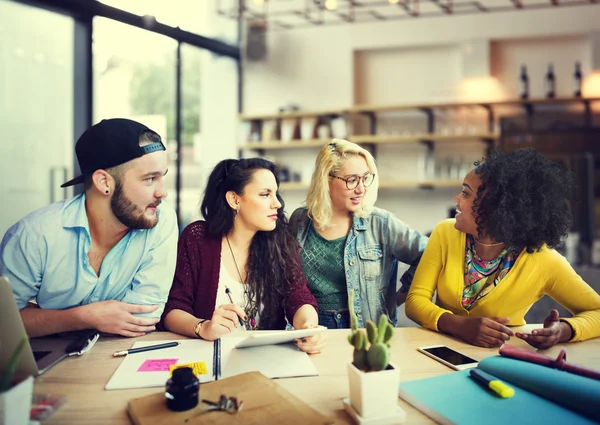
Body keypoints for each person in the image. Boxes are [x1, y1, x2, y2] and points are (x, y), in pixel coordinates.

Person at [0, 118, 178, 338]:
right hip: (47, 365)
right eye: (150, 179)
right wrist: (83, 317)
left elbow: (142, 318)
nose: (163, 192)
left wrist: (45, 318)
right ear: (104, 182)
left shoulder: (161, 220)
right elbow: (6, 323)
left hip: (120, 353)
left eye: (162, 177)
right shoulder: (33, 236)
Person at [406, 148, 600, 349]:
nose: (456, 199)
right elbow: (415, 300)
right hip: (440, 353)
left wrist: (562, 331)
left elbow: (597, 311)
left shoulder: (544, 260)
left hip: (501, 359)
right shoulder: (445, 233)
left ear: (495, 209)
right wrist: (460, 326)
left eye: (465, 193)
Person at [161, 158, 326, 354]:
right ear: (234, 199)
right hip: (209, 356)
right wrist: (203, 327)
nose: (277, 204)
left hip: (266, 357)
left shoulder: (280, 240)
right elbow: (173, 309)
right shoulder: (197, 238)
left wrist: (308, 326)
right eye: (265, 194)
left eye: (276, 194)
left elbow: (298, 296)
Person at [289, 139, 428, 329]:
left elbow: (428, 254)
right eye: (352, 180)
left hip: (365, 329)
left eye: (365, 178)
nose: (361, 189)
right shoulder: (300, 220)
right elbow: (288, 278)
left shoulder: (381, 223)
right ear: (326, 179)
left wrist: (400, 295)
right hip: (311, 326)